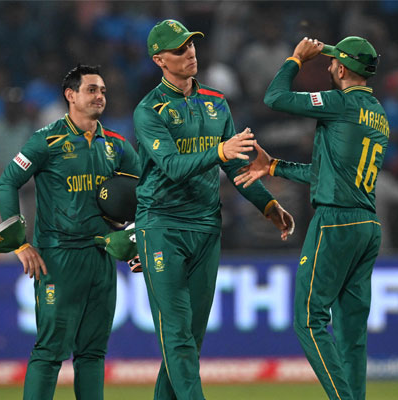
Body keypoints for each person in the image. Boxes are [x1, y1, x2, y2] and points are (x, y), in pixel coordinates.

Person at [133, 20, 294, 400]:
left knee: (189, 340)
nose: (189, 53)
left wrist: (268, 205)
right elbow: (172, 167)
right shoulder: (149, 111)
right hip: (162, 226)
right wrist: (220, 152)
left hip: (206, 227)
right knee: (177, 335)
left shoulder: (216, 102)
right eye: (178, 49)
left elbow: (238, 167)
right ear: (159, 59)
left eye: (191, 45)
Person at [235, 36, 388, 400]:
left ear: (342, 68)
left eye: (334, 61)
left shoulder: (339, 102)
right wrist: (273, 166)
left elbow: (274, 97)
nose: (330, 64)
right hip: (367, 225)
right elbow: (327, 173)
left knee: (308, 318)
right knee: (352, 332)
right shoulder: (379, 115)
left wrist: (295, 59)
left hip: (336, 222)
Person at [0, 64, 140, 400]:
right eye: (91, 90)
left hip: (102, 256)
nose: (99, 96)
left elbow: (148, 192)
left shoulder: (115, 144)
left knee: (92, 352)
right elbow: (6, 183)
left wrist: (136, 238)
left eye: (102, 90)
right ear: (70, 95)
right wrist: (19, 244)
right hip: (58, 259)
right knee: (49, 351)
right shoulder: (46, 140)